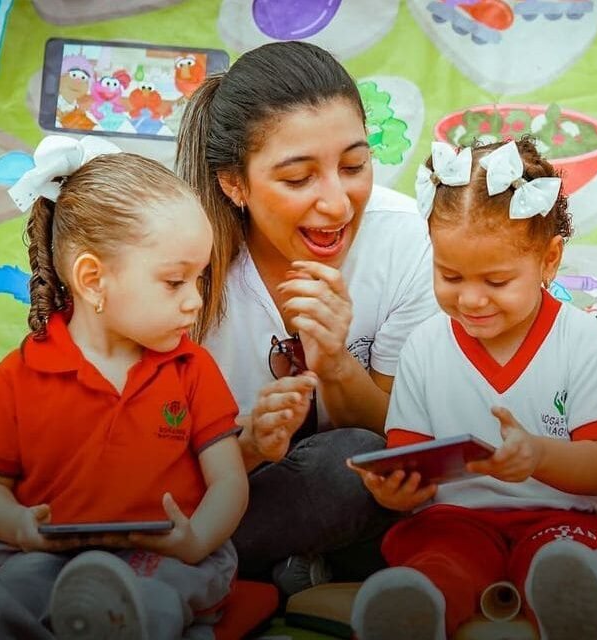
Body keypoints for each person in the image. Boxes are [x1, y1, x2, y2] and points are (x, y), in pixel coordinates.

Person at [0, 135, 248, 639]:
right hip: (51, 556)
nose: (194, 301)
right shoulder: (19, 377)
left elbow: (229, 480)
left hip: (166, 556)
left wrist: (197, 538)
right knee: (23, 589)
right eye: (175, 281)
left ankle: (115, 623)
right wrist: (19, 528)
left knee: (148, 597)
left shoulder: (192, 368)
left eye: (201, 280)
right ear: (93, 280)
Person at [176, 40, 436, 593]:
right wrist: (245, 446)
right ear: (234, 183)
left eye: (354, 166)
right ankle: (269, 563)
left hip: (323, 481)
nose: (338, 204)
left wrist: (337, 363)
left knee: (352, 463)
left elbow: (399, 438)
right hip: (201, 482)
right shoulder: (180, 257)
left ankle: (148, 555)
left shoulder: (407, 239)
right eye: (298, 179)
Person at [348, 139, 597, 640]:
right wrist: (393, 491)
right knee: (441, 561)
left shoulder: (581, 340)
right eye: (449, 275)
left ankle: (571, 608)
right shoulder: (424, 346)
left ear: (549, 260)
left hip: (559, 517)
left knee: (563, 558)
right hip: (455, 519)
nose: (472, 298)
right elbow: (409, 459)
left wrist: (538, 456)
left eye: (497, 281)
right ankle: (419, 606)